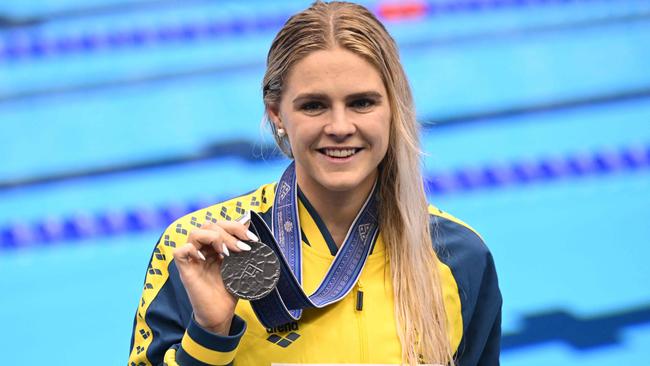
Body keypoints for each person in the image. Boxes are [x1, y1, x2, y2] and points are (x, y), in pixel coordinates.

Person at [127, 1, 501, 365]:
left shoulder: (457, 257)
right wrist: (209, 332)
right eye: (313, 105)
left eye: (362, 103)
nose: (339, 127)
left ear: (393, 108)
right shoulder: (202, 253)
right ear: (277, 114)